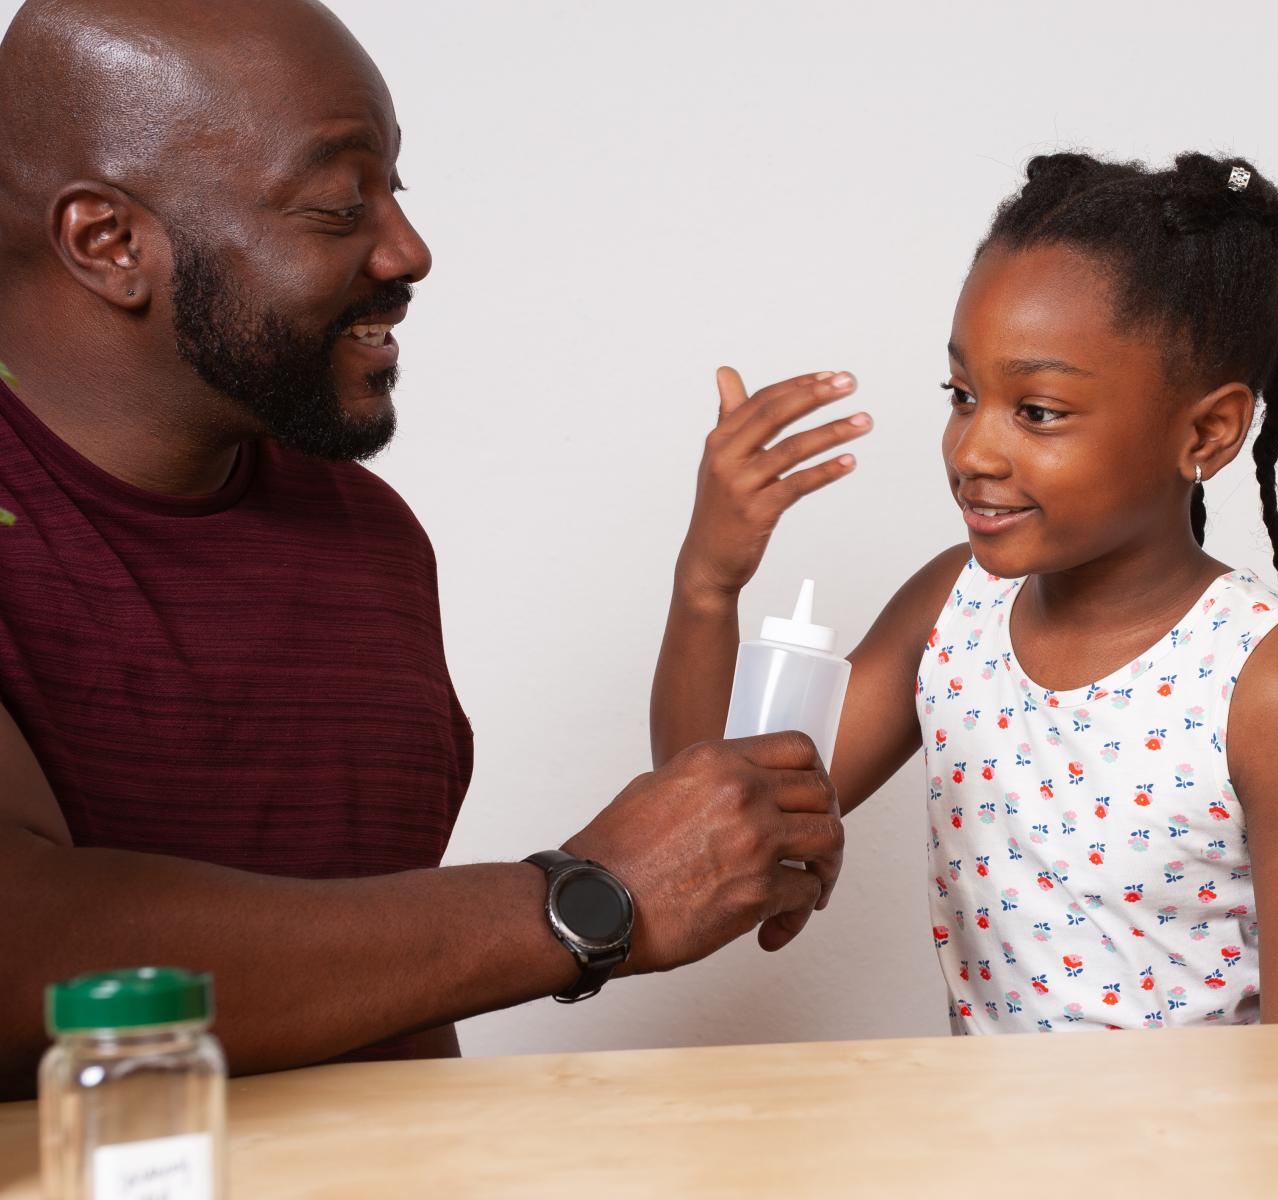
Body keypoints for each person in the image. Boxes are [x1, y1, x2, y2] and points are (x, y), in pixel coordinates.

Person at [0, 0, 843, 1099]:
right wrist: (587, 898)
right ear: (110, 243)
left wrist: (719, 847)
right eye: (340, 203)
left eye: (398, 190)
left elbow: (381, 1000)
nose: (408, 249)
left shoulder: (364, 535)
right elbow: (24, 955)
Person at [653, 152, 1278, 1032]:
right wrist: (708, 582)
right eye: (962, 394)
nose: (971, 451)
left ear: (1209, 430)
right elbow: (710, 830)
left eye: (1036, 410)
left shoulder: (1277, 690)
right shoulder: (952, 613)